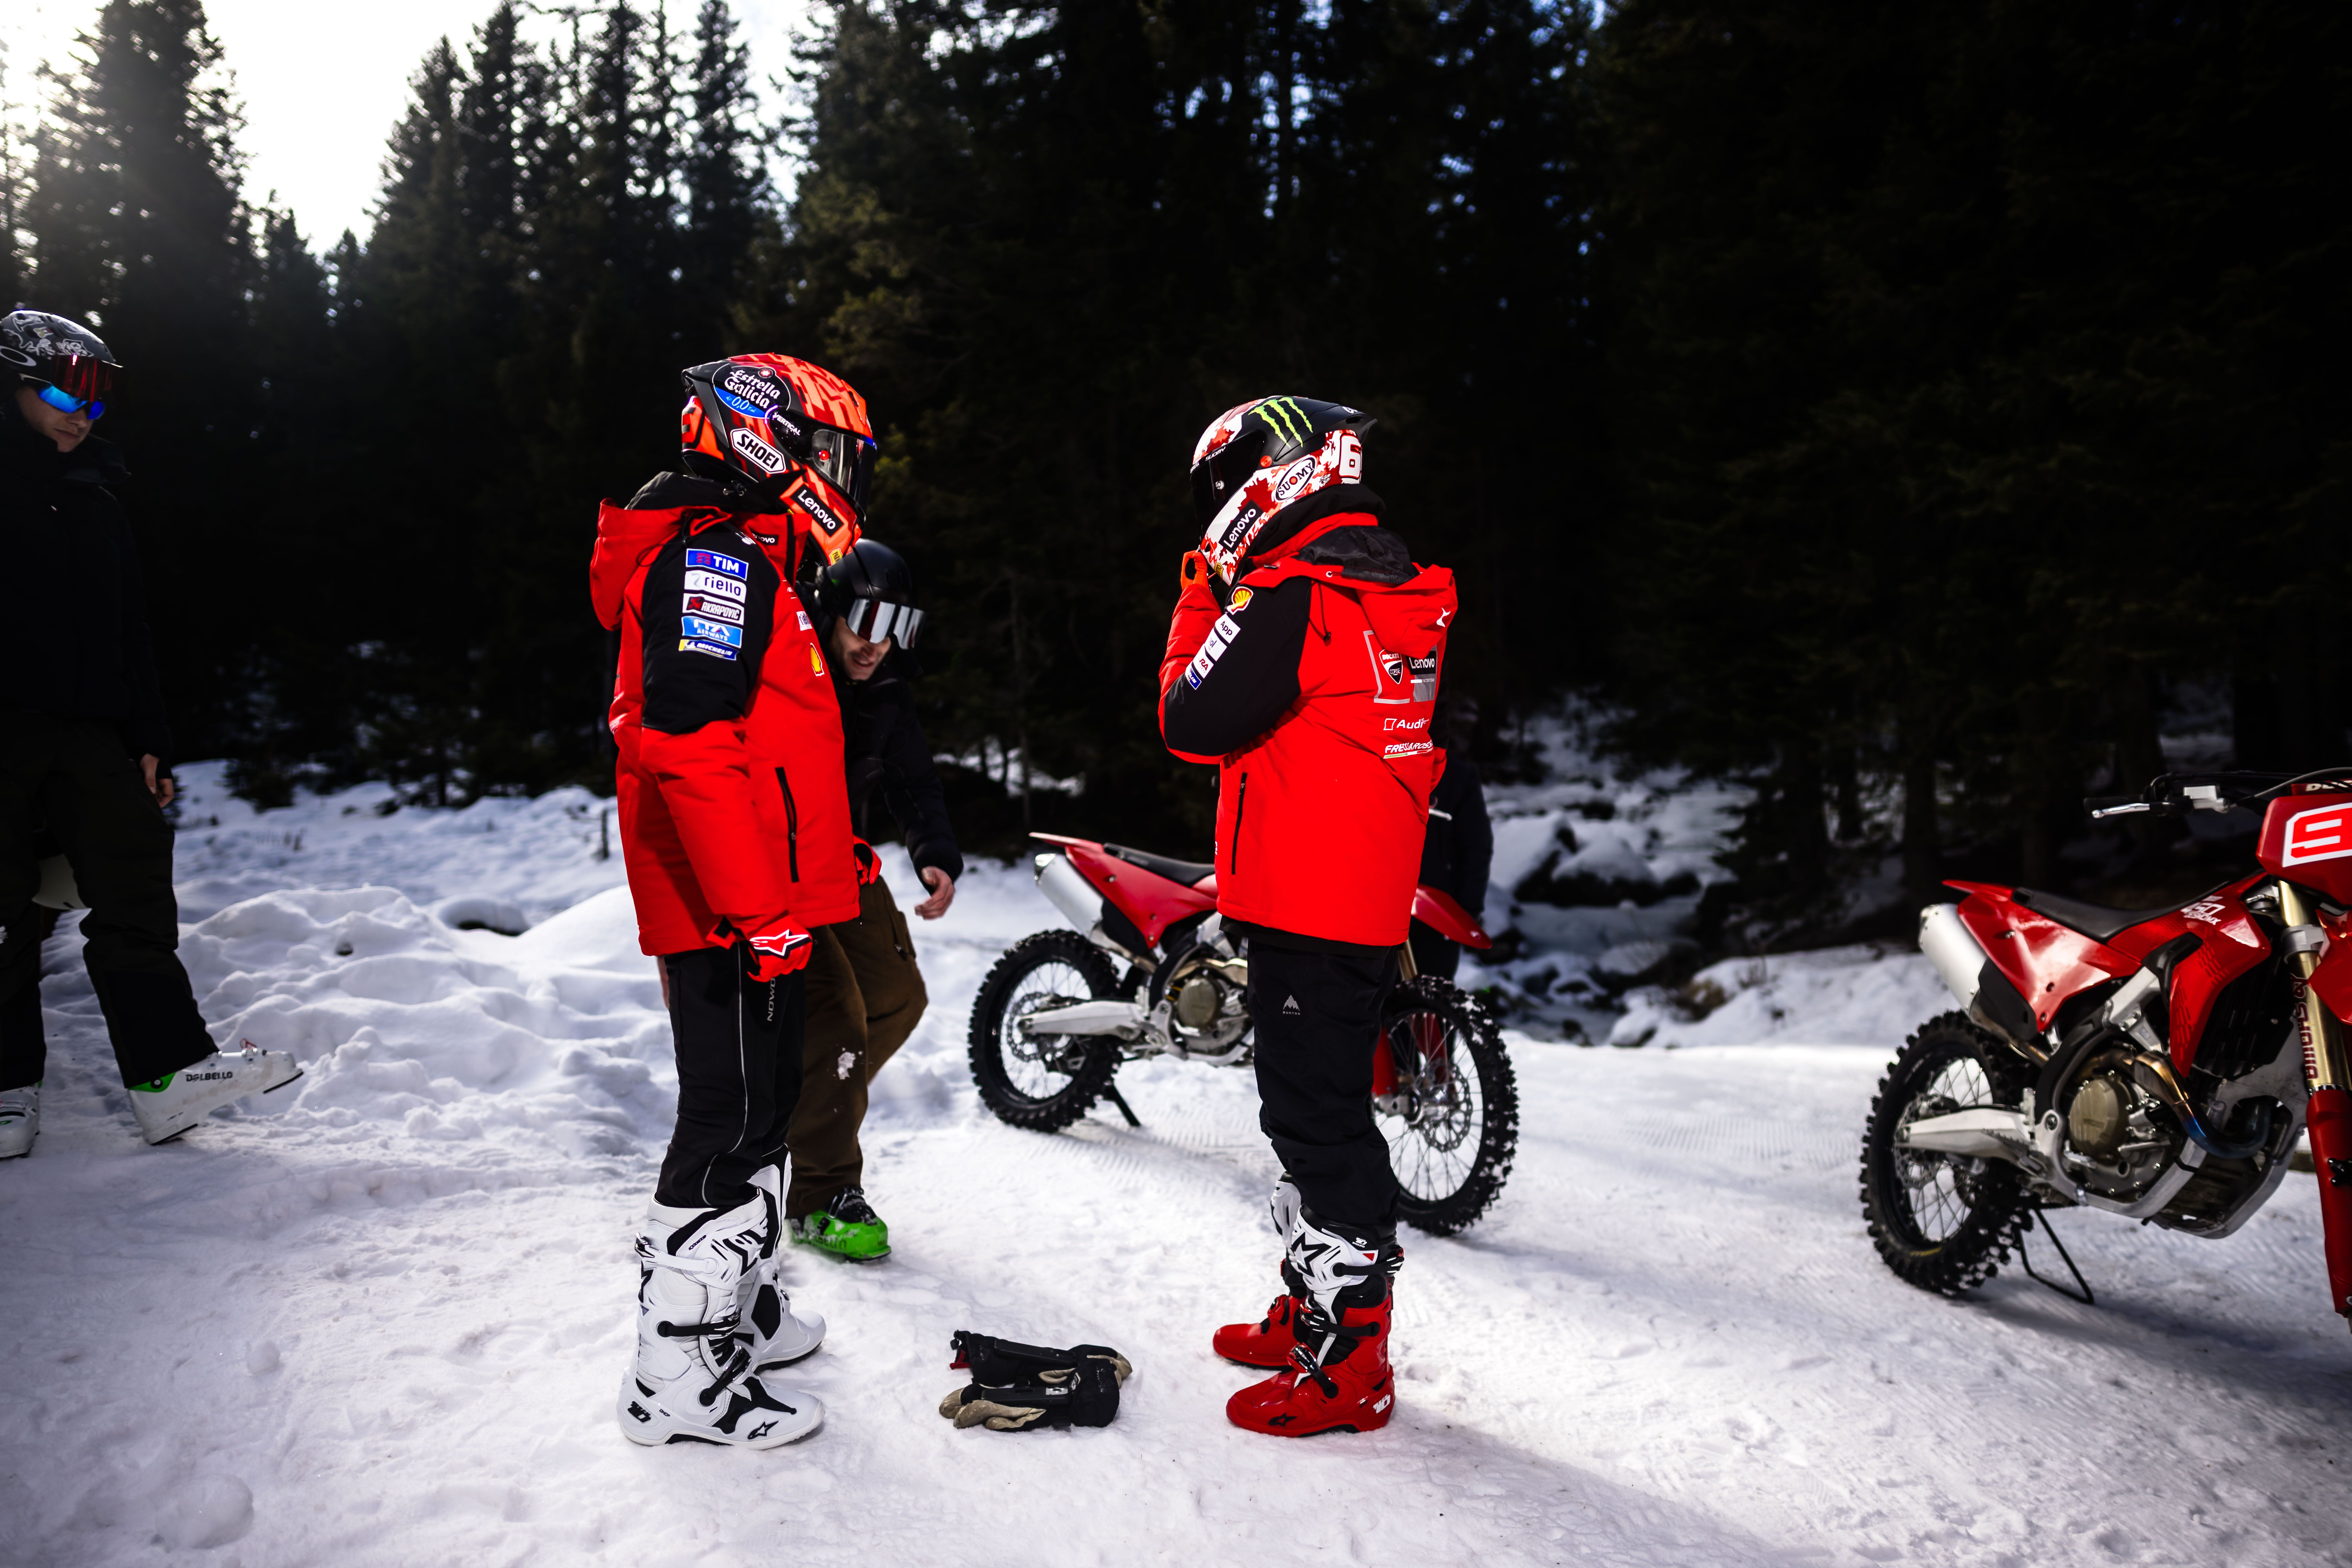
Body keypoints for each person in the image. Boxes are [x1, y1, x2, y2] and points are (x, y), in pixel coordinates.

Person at [589, 352, 876, 1449]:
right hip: (729, 907)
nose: (842, 474)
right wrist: (762, 907)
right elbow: (688, 745)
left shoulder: (751, 560)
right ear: (769, 442)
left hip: (754, 898)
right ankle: (676, 1382)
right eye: (833, 450)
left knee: (760, 1111)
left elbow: (771, 750)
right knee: (728, 1124)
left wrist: (823, 860)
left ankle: (737, 1308)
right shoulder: (716, 566)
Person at [1159, 394, 1456, 1437]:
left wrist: (1203, 592)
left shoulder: (1293, 589)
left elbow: (1187, 717)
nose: (1214, 512)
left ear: (1268, 474)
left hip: (1306, 897)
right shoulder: (1390, 576)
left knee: (1315, 1120)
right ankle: (1314, 1307)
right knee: (1314, 1108)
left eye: (1221, 486)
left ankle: (1351, 1358)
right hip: (1361, 891)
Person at [0, 309, 298, 1159]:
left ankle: (166, 1075)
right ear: (13, 382)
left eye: (96, 399)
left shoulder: (97, 502)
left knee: (133, 888)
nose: (80, 413)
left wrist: (149, 737)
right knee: (8, 911)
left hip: (92, 730)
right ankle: (5, 1089)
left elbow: (131, 632)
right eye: (63, 391)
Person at [784, 540, 962, 1261]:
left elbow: (914, 781)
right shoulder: (791, 670)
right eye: (864, 621)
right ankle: (822, 1196)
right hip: (786, 871)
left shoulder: (886, 688)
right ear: (830, 611)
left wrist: (935, 856)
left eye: (895, 627)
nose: (877, 643)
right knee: (840, 1022)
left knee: (898, 999)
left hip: (845, 867)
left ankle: (806, 1109)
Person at [1408, 718, 1492, 979]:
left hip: (1436, 913)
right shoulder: (1375, 767)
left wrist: (1466, 911)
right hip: (1376, 907)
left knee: (1434, 1003)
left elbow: (1477, 847)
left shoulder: (1458, 778)